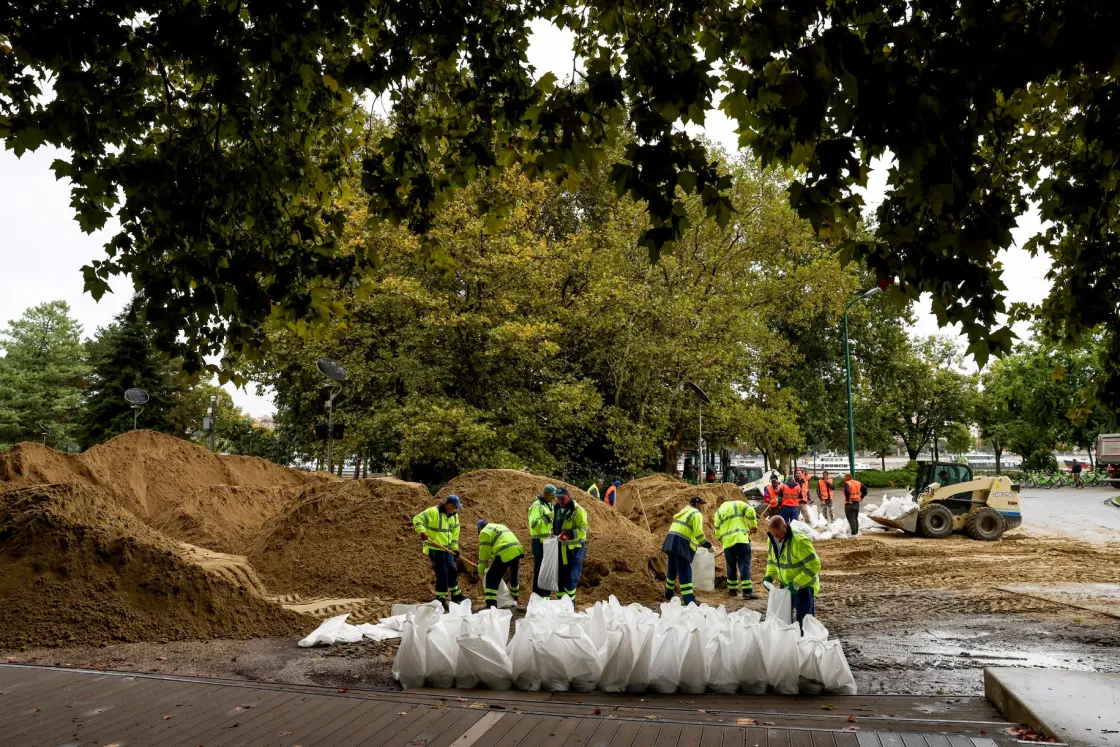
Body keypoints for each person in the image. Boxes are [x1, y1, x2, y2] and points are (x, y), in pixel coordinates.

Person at [763, 515, 821, 633]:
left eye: (778, 533)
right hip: (786, 586)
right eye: (773, 533)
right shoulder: (772, 539)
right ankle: (789, 645)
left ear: (785, 526)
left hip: (804, 587)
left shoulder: (799, 541)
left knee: (804, 623)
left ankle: (805, 647)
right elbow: (772, 561)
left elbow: (814, 565)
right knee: (783, 620)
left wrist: (797, 582)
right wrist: (769, 576)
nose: (776, 536)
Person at [412, 495, 465, 608]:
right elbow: (417, 519)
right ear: (449, 505)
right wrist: (422, 531)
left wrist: (454, 548)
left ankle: (456, 594)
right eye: (455, 507)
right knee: (443, 572)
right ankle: (440, 598)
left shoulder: (454, 516)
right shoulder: (433, 512)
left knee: (452, 569)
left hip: (447, 548)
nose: (456, 509)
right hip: (435, 548)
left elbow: (455, 534)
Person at [662, 496, 713, 605]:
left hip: (670, 541)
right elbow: (698, 534)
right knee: (685, 571)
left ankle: (668, 593)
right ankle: (689, 599)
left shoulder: (684, 511)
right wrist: (709, 546)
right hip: (681, 544)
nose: (702, 507)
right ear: (697, 504)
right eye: (702, 504)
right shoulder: (696, 514)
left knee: (672, 569)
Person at [714, 497, 759, 599]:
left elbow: (717, 532)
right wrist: (753, 525)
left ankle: (732, 590)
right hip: (741, 540)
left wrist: (724, 541)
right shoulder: (737, 503)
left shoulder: (718, 513)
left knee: (731, 566)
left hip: (728, 544)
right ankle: (747, 591)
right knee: (744, 564)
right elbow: (751, 510)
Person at [476, 519, 524, 609]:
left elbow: (484, 554)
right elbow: (500, 543)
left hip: (505, 551)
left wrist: (481, 570)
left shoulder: (485, 532)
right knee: (513, 573)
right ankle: (514, 599)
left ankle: (491, 604)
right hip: (517, 549)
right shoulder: (499, 526)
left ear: (479, 528)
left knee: (491, 577)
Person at [553, 487, 588, 603]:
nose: (560, 501)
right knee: (561, 579)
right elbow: (557, 525)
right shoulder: (557, 509)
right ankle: (561, 604)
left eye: (562, 498)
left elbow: (583, 530)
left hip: (574, 551)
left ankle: (570, 605)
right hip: (561, 550)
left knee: (571, 578)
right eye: (558, 499)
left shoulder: (578, 510)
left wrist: (569, 534)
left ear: (568, 496)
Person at [528, 484, 557, 597]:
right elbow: (534, 524)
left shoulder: (548, 504)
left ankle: (544, 594)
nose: (554, 498)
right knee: (540, 568)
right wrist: (547, 518)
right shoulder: (537, 506)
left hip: (547, 541)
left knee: (546, 569)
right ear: (546, 494)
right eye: (552, 496)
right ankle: (538, 594)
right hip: (539, 542)